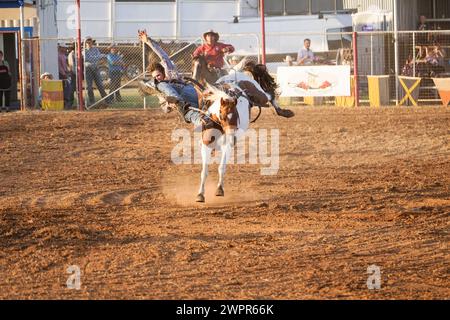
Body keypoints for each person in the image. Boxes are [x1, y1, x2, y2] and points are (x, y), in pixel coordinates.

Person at [83, 36, 110, 105]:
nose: (89, 43)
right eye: (87, 42)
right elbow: (86, 59)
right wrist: (95, 59)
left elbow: (98, 57)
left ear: (92, 42)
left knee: (100, 85)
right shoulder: (84, 51)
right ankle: (92, 102)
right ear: (85, 43)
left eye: (90, 42)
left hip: (96, 68)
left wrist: (93, 59)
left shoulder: (95, 49)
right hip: (88, 70)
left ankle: (107, 101)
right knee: (89, 87)